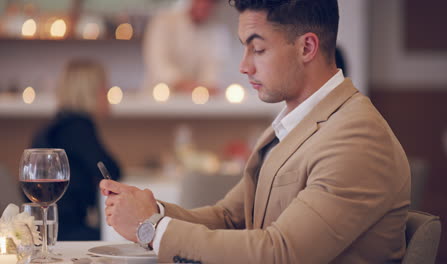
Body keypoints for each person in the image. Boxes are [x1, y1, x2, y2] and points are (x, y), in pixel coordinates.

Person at [101, 0, 410, 263]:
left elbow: (280, 254)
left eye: (258, 49)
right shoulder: (294, 122)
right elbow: (229, 219)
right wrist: (150, 209)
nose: (244, 66)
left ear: (307, 47)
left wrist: (151, 228)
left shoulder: (357, 138)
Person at [31, 59, 121, 241]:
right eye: (105, 88)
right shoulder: (77, 128)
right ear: (91, 92)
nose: (108, 94)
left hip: (45, 226)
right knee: (124, 240)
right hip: (64, 231)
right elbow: (112, 172)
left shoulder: (56, 125)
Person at [142, 0, 229, 93]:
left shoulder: (217, 31)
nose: (205, 5)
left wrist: (207, 85)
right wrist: (183, 84)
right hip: (159, 96)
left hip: (198, 99)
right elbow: (157, 63)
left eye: (210, 2)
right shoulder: (163, 21)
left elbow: (214, 67)